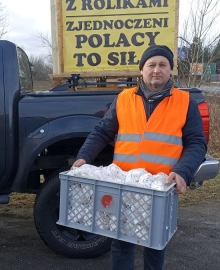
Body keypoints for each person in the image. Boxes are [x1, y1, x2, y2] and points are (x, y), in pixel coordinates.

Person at [72, 45, 207, 270]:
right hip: (124, 186)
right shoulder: (124, 99)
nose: (157, 70)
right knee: (121, 243)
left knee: (155, 245)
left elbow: (196, 143)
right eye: (151, 65)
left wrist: (183, 172)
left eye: (163, 65)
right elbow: (103, 131)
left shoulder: (185, 102)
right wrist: (84, 157)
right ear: (141, 70)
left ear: (170, 71)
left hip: (160, 188)